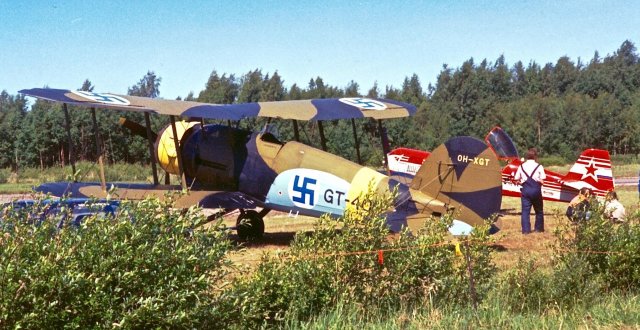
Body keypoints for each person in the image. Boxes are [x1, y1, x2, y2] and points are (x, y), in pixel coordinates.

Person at [514, 148, 546, 234]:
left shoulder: (521, 166)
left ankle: (526, 230)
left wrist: (521, 182)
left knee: (525, 211)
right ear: (535, 156)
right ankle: (539, 229)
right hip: (536, 190)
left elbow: (516, 179)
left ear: (527, 156)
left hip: (526, 190)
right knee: (539, 210)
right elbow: (542, 181)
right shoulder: (539, 166)